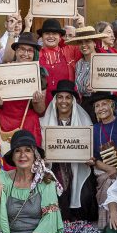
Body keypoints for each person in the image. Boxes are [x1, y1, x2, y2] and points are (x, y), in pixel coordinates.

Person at [41, 80, 95, 221]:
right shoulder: (46, 122)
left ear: (73, 101)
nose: (63, 101)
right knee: (57, 194)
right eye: (60, 97)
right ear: (55, 100)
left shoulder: (84, 120)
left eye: (68, 97)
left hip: (78, 166)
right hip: (55, 166)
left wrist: (89, 158)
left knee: (85, 196)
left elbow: (87, 146)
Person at [0, 33, 47, 152]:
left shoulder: (39, 74)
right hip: (3, 119)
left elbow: (41, 111)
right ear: (16, 51)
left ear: (34, 53)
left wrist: (37, 101)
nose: (25, 54)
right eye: (22, 49)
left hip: (27, 120)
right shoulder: (1, 70)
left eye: (30, 50)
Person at [87, 92, 117, 229]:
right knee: (108, 188)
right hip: (105, 173)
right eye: (97, 106)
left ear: (112, 105)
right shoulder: (93, 130)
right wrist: (110, 169)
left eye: (104, 104)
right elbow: (94, 159)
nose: (101, 108)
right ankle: (107, 231)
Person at [36, 18, 83, 104]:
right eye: (47, 33)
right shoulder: (35, 56)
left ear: (60, 37)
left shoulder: (70, 51)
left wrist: (81, 26)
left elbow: (86, 47)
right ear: (42, 37)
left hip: (66, 105)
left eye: (54, 33)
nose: (51, 36)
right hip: (42, 106)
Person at [67, 26, 105, 101]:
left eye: (87, 41)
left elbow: (113, 86)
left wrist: (99, 86)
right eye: (80, 42)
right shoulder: (79, 64)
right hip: (85, 105)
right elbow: (78, 89)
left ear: (94, 43)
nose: (83, 45)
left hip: (101, 103)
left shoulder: (104, 61)